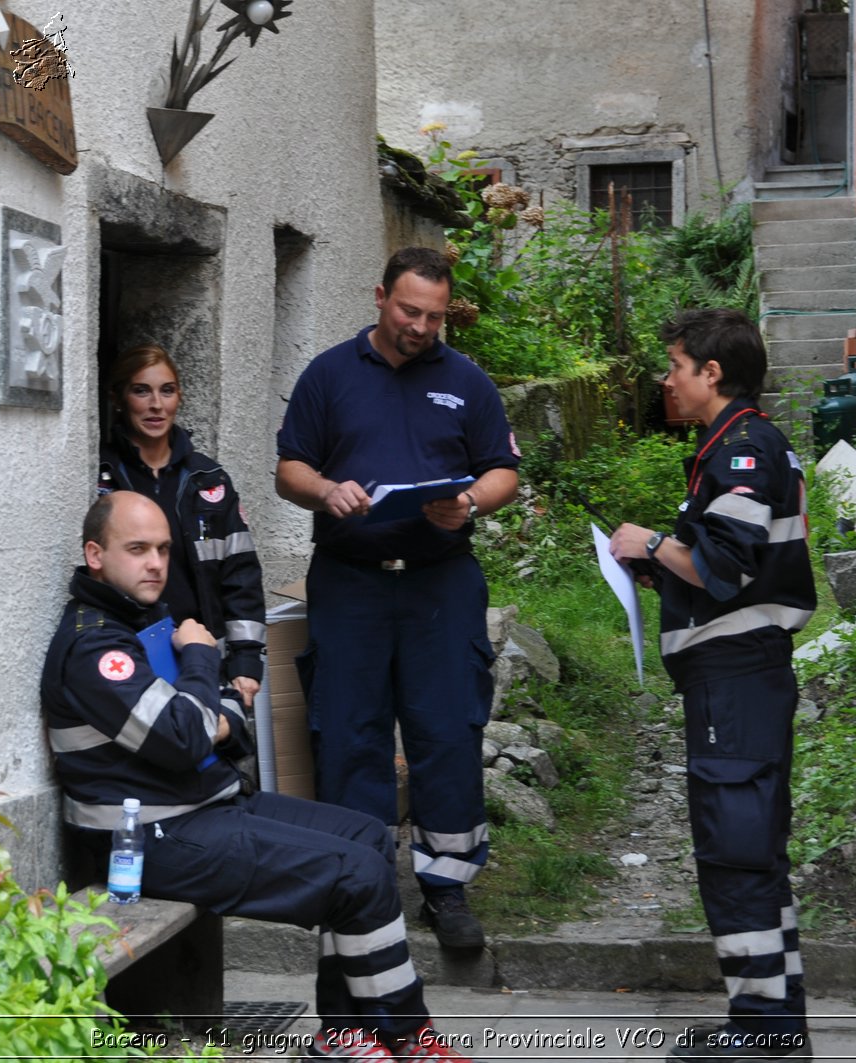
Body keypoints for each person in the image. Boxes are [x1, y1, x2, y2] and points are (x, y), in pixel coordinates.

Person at [42, 491, 482, 1063]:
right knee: (356, 875)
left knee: (368, 837)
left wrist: (210, 715)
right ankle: (407, 1039)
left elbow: (225, 721)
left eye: (162, 549)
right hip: (146, 840)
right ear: (95, 554)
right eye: (138, 549)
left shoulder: (140, 618)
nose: (155, 563)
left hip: (200, 807)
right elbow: (184, 736)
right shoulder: (98, 645)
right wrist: (202, 666)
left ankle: (344, 1037)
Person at [274, 247, 521, 950]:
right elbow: (289, 467)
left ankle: (447, 890)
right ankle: (364, 884)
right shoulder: (328, 374)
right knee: (349, 732)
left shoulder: (467, 381)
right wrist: (326, 490)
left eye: (434, 317)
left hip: (438, 581)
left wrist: (469, 500)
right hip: (349, 582)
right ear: (380, 295)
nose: (420, 327)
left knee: (446, 730)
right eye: (409, 310)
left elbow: (503, 470)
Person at [608, 309, 816, 1062]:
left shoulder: (743, 448)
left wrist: (653, 543)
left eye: (675, 364)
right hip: (739, 674)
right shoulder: (736, 445)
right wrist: (656, 561)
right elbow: (728, 556)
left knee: (735, 849)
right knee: (753, 848)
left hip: (737, 676)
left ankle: (764, 1034)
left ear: (712, 373)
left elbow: (722, 568)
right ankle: (772, 1022)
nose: (668, 378)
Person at [98, 343, 265, 705]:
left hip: (203, 654)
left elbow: (241, 576)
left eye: (167, 390)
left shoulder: (209, 480)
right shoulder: (101, 476)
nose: (156, 404)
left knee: (211, 747)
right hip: (129, 652)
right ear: (118, 398)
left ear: (179, 397)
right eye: (141, 390)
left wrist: (246, 660)